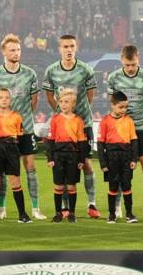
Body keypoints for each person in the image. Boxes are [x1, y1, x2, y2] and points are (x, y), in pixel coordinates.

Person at [0, 34, 45, 220]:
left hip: (25, 129)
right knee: (2, 171)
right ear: (3, 51)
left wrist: (22, 118)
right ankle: (1, 209)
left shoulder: (30, 74)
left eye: (18, 50)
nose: (16, 53)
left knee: (30, 167)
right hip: (4, 132)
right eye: (12, 50)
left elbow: (34, 101)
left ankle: (35, 208)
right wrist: (2, 120)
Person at [43, 35, 100, 218]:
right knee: (63, 165)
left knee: (87, 164)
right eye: (65, 46)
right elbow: (49, 95)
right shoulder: (51, 71)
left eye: (72, 46)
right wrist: (61, 113)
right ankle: (65, 206)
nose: (68, 50)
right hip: (62, 125)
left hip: (84, 124)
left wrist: (77, 115)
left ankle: (92, 204)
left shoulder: (85, 70)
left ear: (76, 47)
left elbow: (90, 95)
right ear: (59, 48)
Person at [106, 45, 143, 219]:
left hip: (142, 127)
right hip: (121, 128)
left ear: (138, 59)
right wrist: (122, 121)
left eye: (133, 64)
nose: (130, 68)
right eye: (127, 65)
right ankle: (117, 207)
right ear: (121, 60)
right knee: (119, 167)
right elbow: (113, 103)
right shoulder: (113, 78)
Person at [0, 88, 32, 224]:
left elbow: (20, 136)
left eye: (7, 97)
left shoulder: (16, 116)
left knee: (15, 182)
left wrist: (11, 146)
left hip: (12, 149)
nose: (4, 100)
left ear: (10, 100)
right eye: (1, 97)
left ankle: (23, 215)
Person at [98, 91, 139, 223]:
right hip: (111, 157)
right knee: (113, 186)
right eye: (121, 107)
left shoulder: (129, 121)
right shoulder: (105, 121)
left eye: (126, 107)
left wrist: (134, 159)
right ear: (113, 105)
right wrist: (103, 163)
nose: (124, 110)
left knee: (127, 185)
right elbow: (100, 144)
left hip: (126, 157)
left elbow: (134, 141)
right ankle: (112, 214)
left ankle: (129, 214)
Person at [46, 88, 86, 223]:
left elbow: (82, 142)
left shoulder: (78, 120)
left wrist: (81, 160)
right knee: (58, 186)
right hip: (58, 156)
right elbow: (50, 140)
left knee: (71, 186)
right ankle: (58, 213)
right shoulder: (55, 119)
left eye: (67, 102)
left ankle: (71, 213)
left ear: (73, 104)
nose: (63, 104)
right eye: (61, 101)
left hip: (73, 156)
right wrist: (50, 158)